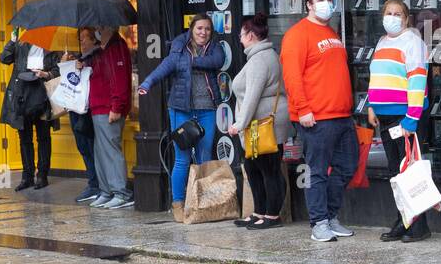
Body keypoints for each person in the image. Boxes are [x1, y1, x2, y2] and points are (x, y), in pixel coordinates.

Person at [280, 0, 357, 243]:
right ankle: (319, 223)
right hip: (316, 117)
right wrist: (303, 110)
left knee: (347, 166)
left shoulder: (331, 32)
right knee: (317, 172)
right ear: (309, 5)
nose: (327, 3)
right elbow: (292, 77)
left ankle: (330, 216)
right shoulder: (297, 34)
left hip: (341, 115)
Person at [138, 16, 224, 222]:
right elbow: (165, 67)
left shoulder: (215, 47)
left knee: (204, 158)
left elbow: (217, 62)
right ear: (191, 29)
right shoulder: (178, 47)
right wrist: (147, 83)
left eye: (208, 29)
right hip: (181, 110)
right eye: (200, 28)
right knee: (182, 159)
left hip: (206, 110)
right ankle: (178, 203)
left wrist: (192, 61)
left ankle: (201, 203)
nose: (204, 32)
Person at [367, 0, 431, 242]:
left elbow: (417, 80)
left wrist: (411, 119)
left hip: (404, 116)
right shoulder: (382, 42)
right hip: (385, 116)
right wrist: (372, 106)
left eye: (397, 14)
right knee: (396, 171)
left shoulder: (412, 42)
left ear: (406, 19)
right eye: (388, 13)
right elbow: (377, 77)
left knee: (410, 171)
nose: (392, 18)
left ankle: (418, 224)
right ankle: (403, 219)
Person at [227, 13, 290, 229]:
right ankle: (259, 211)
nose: (240, 37)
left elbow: (252, 96)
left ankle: (272, 215)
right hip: (258, 123)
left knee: (268, 169)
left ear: (251, 35)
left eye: (242, 33)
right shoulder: (260, 56)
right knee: (254, 169)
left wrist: (239, 124)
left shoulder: (260, 59)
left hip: (263, 124)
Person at [0, 29, 60, 190]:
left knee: (43, 137)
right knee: (24, 138)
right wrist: (12, 41)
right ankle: (27, 176)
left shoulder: (51, 47)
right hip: (22, 95)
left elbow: (58, 71)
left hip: (42, 95)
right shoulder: (20, 45)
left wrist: (45, 74)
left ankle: (42, 175)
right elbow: (4, 59)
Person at [83, 26, 134, 210]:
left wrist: (117, 107)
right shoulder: (104, 49)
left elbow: (119, 80)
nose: (97, 29)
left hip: (108, 108)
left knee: (110, 151)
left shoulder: (116, 47)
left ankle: (121, 192)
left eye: (99, 26)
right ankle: (107, 191)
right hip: (99, 107)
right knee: (101, 152)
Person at [70, 27, 102, 204]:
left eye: (84, 38)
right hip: (76, 108)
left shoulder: (98, 56)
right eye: (79, 39)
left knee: (91, 146)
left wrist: (85, 68)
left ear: (93, 40)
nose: (81, 42)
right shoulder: (78, 58)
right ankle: (92, 182)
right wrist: (67, 65)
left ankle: (97, 183)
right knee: (82, 146)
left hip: (91, 108)